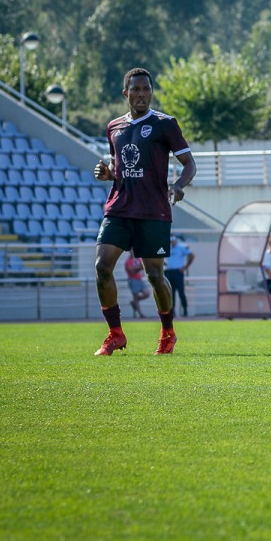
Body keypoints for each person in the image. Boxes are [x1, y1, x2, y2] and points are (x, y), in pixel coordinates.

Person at [92, 67, 196, 356]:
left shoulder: (165, 124)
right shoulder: (114, 127)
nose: (141, 94)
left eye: (146, 89)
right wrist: (108, 174)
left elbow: (190, 164)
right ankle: (115, 334)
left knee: (154, 275)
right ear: (125, 93)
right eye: (136, 89)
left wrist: (178, 185)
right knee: (102, 267)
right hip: (119, 208)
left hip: (153, 211)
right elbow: (118, 168)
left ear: (151, 92)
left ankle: (168, 332)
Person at [164, 234, 194, 316]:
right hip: (169, 272)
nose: (172, 241)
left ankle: (185, 310)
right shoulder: (166, 248)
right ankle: (172, 311)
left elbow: (191, 256)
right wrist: (165, 265)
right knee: (171, 293)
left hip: (178, 272)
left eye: (173, 239)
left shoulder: (181, 247)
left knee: (181, 292)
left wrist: (185, 267)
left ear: (176, 240)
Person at [124, 251, 151, 318]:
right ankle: (140, 314)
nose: (133, 252)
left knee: (147, 293)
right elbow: (132, 271)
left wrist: (139, 268)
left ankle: (134, 302)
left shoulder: (138, 259)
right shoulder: (128, 261)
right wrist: (140, 267)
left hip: (139, 279)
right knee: (135, 297)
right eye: (131, 251)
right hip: (133, 280)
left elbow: (143, 266)